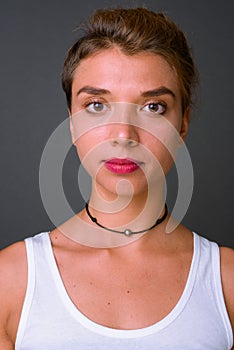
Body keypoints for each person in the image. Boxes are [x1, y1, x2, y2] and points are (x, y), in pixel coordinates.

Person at [0, 7, 233, 349]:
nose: (124, 134)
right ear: (71, 120)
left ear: (182, 123)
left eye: (153, 107)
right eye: (97, 105)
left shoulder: (227, 282)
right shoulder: (11, 280)